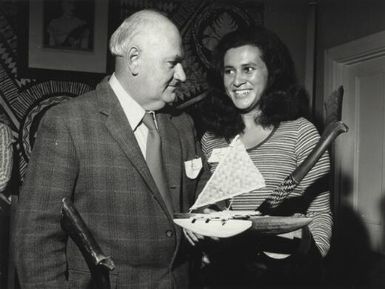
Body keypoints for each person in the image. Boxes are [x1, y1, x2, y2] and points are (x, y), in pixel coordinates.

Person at [15, 10, 207, 289]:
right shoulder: (68, 123)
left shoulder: (182, 124)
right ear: (134, 60)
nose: (183, 74)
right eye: (173, 63)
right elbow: (36, 238)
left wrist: (209, 208)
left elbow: (200, 190)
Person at [189, 26, 332, 288]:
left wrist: (308, 265)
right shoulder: (211, 139)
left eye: (248, 68)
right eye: (229, 71)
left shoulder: (300, 132)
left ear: (271, 74)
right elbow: (206, 205)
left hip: (285, 273)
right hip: (225, 273)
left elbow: (320, 213)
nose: (237, 80)